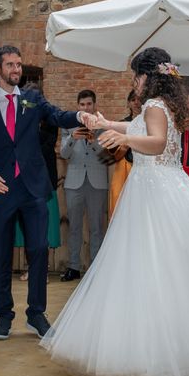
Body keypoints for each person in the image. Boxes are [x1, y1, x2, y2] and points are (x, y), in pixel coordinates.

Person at [40, 48, 189, 376]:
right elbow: (139, 127)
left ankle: (158, 351)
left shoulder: (153, 105)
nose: (133, 82)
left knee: (154, 269)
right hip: (156, 187)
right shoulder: (160, 105)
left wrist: (123, 138)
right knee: (154, 270)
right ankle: (157, 346)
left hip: (154, 193)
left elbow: (153, 142)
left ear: (147, 77)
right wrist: (107, 123)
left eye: (136, 76)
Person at [0, 45, 94, 341]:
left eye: (19, 65)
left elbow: (57, 115)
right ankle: (3, 316)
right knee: (1, 254)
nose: (16, 70)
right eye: (10, 65)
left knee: (38, 250)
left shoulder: (32, 99)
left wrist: (81, 116)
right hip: (1, 189)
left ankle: (36, 314)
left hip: (33, 188)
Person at [60, 89, 108, 282]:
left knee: (96, 227)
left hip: (97, 182)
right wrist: (74, 138)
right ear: (78, 106)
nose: (86, 107)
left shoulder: (103, 125)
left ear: (94, 105)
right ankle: (73, 266)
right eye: (82, 105)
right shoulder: (69, 125)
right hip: (74, 182)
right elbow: (64, 154)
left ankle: (95, 268)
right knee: (75, 227)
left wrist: (94, 139)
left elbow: (107, 156)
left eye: (89, 104)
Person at [14, 82, 61, 282]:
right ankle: (29, 267)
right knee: (26, 226)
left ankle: (43, 269)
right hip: (22, 179)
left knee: (44, 227)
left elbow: (47, 145)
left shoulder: (49, 118)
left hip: (44, 181)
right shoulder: (18, 118)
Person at [108, 89, 140, 218]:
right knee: (118, 201)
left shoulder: (150, 124)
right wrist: (123, 147)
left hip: (141, 168)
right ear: (128, 104)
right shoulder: (120, 124)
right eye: (133, 100)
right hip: (123, 168)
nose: (136, 103)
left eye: (139, 100)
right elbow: (112, 155)